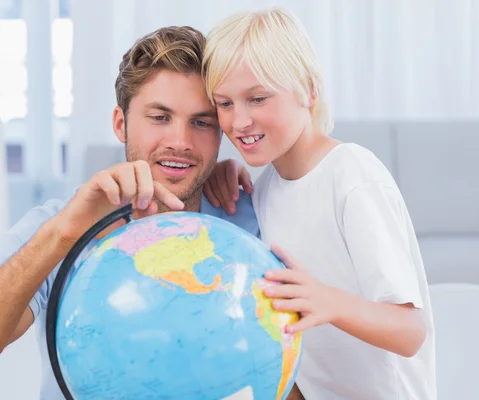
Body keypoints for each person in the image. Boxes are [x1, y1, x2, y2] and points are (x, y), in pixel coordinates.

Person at [0, 26, 258, 399]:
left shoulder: (249, 219)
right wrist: (65, 234)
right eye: (159, 117)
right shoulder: (56, 226)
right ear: (121, 124)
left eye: (202, 122)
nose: (180, 143)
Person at [202, 7, 437, 400]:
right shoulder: (265, 192)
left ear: (309, 90)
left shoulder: (351, 173)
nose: (238, 121)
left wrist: (327, 300)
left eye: (257, 98)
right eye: (224, 104)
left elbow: (410, 331)